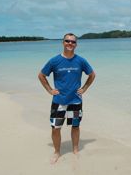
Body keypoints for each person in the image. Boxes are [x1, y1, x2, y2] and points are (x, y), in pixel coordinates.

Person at [38, 33, 95, 164]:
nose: (70, 43)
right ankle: (57, 152)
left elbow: (92, 75)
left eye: (73, 42)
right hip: (59, 101)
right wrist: (49, 90)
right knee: (55, 128)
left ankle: (75, 149)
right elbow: (41, 75)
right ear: (63, 42)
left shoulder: (80, 61)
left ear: (76, 44)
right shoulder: (54, 61)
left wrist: (84, 88)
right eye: (67, 41)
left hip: (75, 101)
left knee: (75, 126)